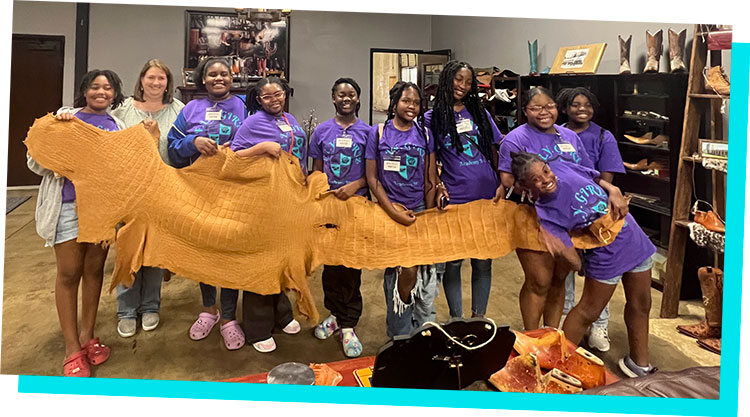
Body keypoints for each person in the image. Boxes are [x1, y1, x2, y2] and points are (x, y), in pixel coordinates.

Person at [510, 151, 656, 378]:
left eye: (545, 172)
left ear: (549, 166)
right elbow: (567, 251)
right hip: (605, 253)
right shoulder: (546, 211)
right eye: (536, 180)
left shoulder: (563, 166)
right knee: (588, 311)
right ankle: (556, 366)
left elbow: (595, 177)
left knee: (641, 303)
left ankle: (639, 363)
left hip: (632, 235)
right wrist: (580, 265)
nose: (546, 180)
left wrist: (613, 190)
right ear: (525, 186)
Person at [494, 86, 627, 331]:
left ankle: (552, 336)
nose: (544, 112)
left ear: (557, 108)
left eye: (549, 106)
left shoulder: (569, 136)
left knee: (558, 279)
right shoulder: (516, 138)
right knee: (539, 281)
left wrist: (612, 190)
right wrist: (540, 194)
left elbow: (589, 173)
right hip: (533, 218)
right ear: (525, 111)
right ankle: (532, 339)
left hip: (572, 219)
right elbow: (507, 179)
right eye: (536, 108)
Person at [27, 69, 126, 376]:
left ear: (114, 94)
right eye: (95, 87)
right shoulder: (64, 119)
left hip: (102, 209)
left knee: (94, 270)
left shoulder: (117, 125)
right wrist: (60, 135)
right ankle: (71, 348)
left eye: (107, 88)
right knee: (69, 273)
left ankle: (87, 335)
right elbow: (35, 162)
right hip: (68, 206)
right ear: (85, 91)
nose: (101, 92)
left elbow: (122, 167)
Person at [167, 57, 247, 350]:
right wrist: (193, 142)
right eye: (212, 74)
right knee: (204, 252)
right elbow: (173, 150)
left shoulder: (244, 106)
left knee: (229, 253)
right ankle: (208, 310)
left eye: (223, 74)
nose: (218, 78)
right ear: (203, 80)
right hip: (199, 194)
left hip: (234, 194)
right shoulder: (190, 109)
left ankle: (228, 317)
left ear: (231, 78)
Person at [110, 58, 185, 338]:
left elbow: (181, 147)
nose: (156, 83)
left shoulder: (179, 110)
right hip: (127, 192)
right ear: (141, 80)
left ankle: (151, 305)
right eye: (151, 78)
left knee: (154, 252)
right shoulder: (122, 110)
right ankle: (126, 309)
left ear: (168, 83)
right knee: (128, 251)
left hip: (163, 191)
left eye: (161, 79)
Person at [230, 76, 304, 353]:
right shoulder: (252, 122)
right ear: (259, 100)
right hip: (262, 200)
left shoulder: (289, 117)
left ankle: (281, 314)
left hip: (289, 198)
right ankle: (257, 327)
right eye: (268, 97)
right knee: (260, 261)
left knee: (280, 259)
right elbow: (234, 154)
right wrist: (261, 148)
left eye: (279, 94)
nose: (275, 100)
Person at [424, 60, 503, 319]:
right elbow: (430, 159)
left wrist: (503, 181)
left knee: (483, 262)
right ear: (448, 79)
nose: (463, 86)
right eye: (458, 79)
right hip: (456, 198)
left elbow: (496, 148)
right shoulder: (431, 118)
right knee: (454, 262)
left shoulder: (481, 114)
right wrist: (437, 186)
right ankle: (457, 318)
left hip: (487, 197)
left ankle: (478, 318)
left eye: (468, 82)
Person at [365, 81, 439, 338]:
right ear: (394, 103)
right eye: (406, 101)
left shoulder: (426, 134)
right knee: (399, 270)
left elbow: (430, 179)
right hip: (389, 211)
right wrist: (393, 212)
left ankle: (424, 327)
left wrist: (428, 216)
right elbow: (372, 179)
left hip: (419, 209)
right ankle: (399, 333)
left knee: (424, 269)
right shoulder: (378, 133)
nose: (412, 107)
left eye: (417, 102)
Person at [556, 87, 625, 351]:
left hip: (595, 211)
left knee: (599, 271)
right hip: (563, 210)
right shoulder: (556, 132)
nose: (581, 109)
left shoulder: (603, 137)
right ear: (565, 108)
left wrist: (593, 205)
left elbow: (606, 177)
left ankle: (599, 324)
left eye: (587, 104)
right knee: (565, 267)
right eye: (575, 104)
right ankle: (565, 317)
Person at [309, 78, 369, 357]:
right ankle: (334, 314)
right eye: (341, 94)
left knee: (351, 264)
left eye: (351, 94)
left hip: (356, 206)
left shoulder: (369, 133)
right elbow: (316, 172)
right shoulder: (321, 132)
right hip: (328, 209)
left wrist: (354, 186)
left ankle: (349, 324)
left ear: (358, 99)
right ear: (333, 98)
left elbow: (373, 173)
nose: (346, 98)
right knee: (331, 265)